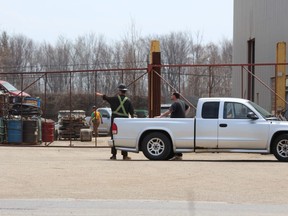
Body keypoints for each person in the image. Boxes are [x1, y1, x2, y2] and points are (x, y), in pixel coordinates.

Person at [96, 84, 134, 160]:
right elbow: (132, 113)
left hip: (115, 121)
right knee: (124, 137)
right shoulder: (128, 101)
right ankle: (125, 156)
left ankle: (114, 155)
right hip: (124, 122)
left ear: (120, 91)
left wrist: (101, 95)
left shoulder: (115, 99)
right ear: (125, 91)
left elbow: (106, 98)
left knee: (114, 137)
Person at [158, 92, 190, 160]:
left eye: (172, 95)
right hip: (181, 123)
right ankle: (178, 155)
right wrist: (184, 115)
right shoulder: (182, 102)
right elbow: (189, 107)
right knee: (178, 138)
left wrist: (161, 116)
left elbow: (169, 111)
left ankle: (177, 155)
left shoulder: (175, 103)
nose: (171, 96)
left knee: (173, 138)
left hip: (176, 124)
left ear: (174, 96)